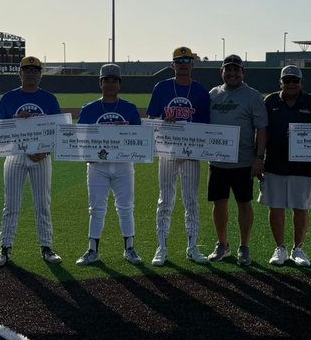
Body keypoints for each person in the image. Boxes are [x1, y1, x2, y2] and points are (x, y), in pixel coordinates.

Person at [0, 56, 63, 267]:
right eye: (27, 70)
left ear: (40, 74)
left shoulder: (49, 99)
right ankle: (5, 248)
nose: (31, 73)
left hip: (41, 157)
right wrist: (15, 120)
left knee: (43, 204)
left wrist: (45, 152)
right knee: (11, 204)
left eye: (35, 70)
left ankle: (47, 247)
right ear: (20, 73)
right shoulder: (9, 98)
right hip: (15, 156)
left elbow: (57, 131)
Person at [147, 46, 212, 265]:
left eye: (187, 61)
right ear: (172, 65)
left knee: (191, 200)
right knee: (165, 199)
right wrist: (164, 122)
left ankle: (192, 246)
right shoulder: (162, 87)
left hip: (192, 152)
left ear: (193, 64)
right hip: (167, 151)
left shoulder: (201, 90)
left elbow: (205, 124)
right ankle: (162, 247)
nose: (184, 64)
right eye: (179, 61)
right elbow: (152, 117)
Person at [75, 64, 144, 266]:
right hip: (97, 166)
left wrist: (127, 130)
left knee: (126, 207)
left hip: (123, 165)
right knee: (96, 208)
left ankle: (129, 248)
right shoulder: (89, 109)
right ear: (100, 83)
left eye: (114, 80)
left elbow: (140, 140)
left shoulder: (129, 109)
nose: (110, 84)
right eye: (106, 80)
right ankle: (92, 249)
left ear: (119, 84)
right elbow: (80, 139)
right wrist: (86, 155)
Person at [207, 55, 267, 266]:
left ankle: (244, 246)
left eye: (236, 70)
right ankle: (222, 244)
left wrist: (259, 158)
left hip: (243, 161)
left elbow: (261, 129)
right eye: (228, 70)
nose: (232, 74)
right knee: (219, 203)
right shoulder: (213, 94)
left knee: (244, 203)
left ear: (243, 72)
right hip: (217, 161)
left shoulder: (252, 96)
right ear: (222, 72)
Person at [261, 65, 311, 267]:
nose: (290, 84)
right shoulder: (270, 101)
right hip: (274, 163)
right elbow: (261, 131)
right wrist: (258, 158)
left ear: (301, 83)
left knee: (301, 207)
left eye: (294, 81)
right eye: (286, 81)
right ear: (280, 83)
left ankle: (299, 249)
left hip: (304, 166)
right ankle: (280, 248)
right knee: (276, 206)